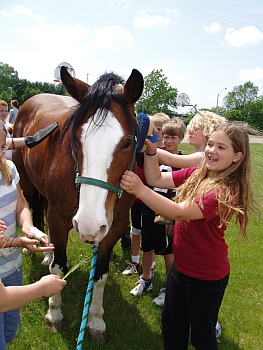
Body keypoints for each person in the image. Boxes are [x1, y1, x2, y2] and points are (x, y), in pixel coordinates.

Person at [120, 121, 258, 349]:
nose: (212, 150)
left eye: (221, 147)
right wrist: (153, 152)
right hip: (181, 268)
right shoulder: (199, 174)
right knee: (172, 327)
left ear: (237, 156)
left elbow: (179, 211)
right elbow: (156, 179)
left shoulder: (222, 190)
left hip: (205, 276)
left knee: (203, 338)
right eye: (211, 144)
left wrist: (139, 190)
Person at [0, 120, 57, 349]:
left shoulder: (9, 168)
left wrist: (28, 227)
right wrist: (43, 287)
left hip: (12, 266)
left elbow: (21, 205)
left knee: (9, 330)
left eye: (2, 147)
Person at [122, 113, 170, 281]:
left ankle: (150, 265)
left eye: (159, 131)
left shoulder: (165, 154)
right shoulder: (140, 150)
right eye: (152, 130)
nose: (155, 134)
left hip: (154, 202)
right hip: (137, 200)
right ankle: (135, 262)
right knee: (136, 231)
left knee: (152, 238)